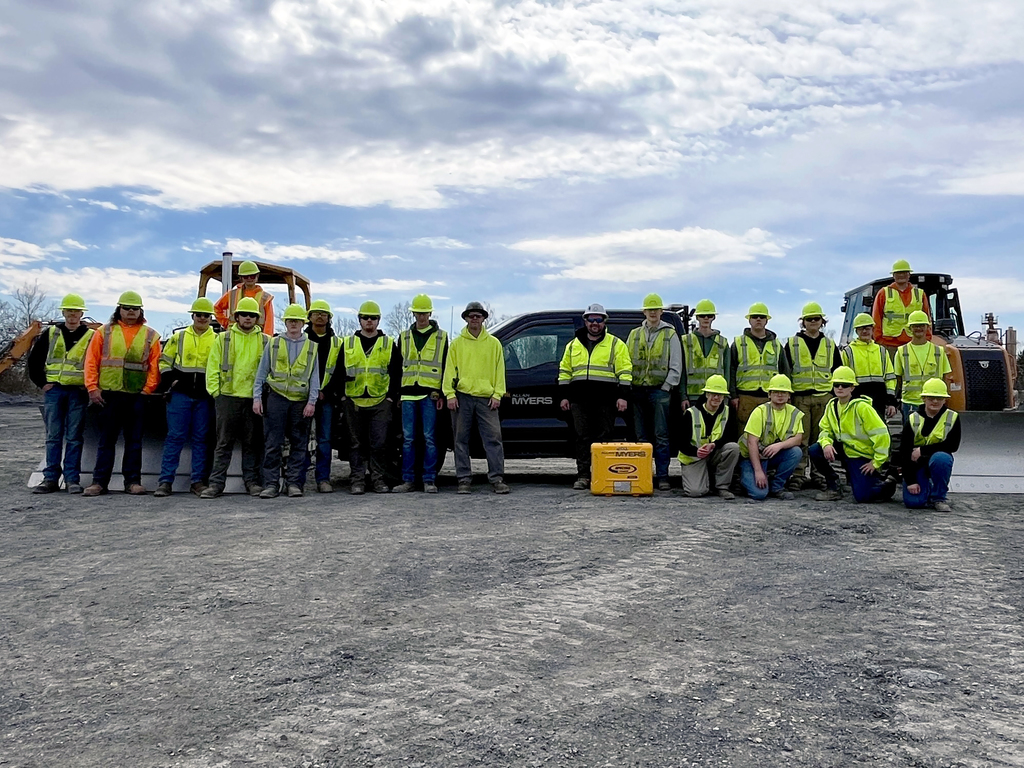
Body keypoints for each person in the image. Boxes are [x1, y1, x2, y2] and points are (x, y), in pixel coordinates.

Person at [82, 291, 161, 496]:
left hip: (137, 396)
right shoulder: (103, 332)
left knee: (134, 441)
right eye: (127, 308)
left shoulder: (150, 335)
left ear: (140, 311)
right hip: (109, 394)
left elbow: (155, 367)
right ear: (119, 309)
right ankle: (99, 482)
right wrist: (92, 387)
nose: (131, 312)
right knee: (106, 440)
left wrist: (147, 390)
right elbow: (92, 361)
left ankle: (133, 481)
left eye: (135, 309)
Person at [200, 296, 270, 498]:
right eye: (244, 315)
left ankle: (252, 483)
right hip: (228, 398)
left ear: (257, 318)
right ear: (237, 317)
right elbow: (212, 367)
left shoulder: (266, 341)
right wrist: (217, 393)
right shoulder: (223, 339)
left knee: (252, 444)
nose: (248, 318)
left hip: (253, 399)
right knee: (223, 443)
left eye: (252, 315)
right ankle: (215, 484)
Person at [559, 303, 632, 490]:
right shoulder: (572, 345)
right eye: (591, 319)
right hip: (579, 400)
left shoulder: (616, 344)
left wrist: (622, 396)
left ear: (604, 322)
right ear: (585, 321)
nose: (595, 323)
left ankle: (602, 475)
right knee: (582, 438)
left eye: (599, 319)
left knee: (604, 438)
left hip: (605, 401)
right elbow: (565, 372)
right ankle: (583, 476)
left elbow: (625, 372)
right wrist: (564, 396)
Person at [28, 293, 95, 494]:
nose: (72, 314)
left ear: (81, 313)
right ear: (63, 312)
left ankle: (72, 479)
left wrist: (88, 384)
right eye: (69, 310)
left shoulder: (91, 336)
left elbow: (96, 362)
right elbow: (35, 360)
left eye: (75, 311)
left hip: (77, 392)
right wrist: (42, 383)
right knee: (54, 436)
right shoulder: (51, 334)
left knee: (74, 437)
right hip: (54, 390)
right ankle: (50, 479)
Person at [443, 301, 510, 494]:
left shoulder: (493, 344)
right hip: (462, 397)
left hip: (487, 399)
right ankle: (463, 479)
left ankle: (497, 478)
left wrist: (498, 394)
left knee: (493, 439)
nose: (474, 319)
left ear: (483, 319)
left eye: (478, 316)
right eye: (471, 316)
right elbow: (449, 371)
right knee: (460, 440)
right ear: (465, 318)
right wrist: (449, 394)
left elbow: (500, 371)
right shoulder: (456, 344)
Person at [253, 303, 319, 498]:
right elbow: (262, 373)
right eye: (290, 321)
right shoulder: (273, 344)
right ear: (286, 323)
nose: (293, 324)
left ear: (302, 323)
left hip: (300, 402)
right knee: (273, 443)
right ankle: (271, 484)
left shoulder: (312, 347)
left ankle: (294, 484)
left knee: (300, 444)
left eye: (297, 321)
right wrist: (257, 398)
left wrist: (312, 402)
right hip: (276, 398)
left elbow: (314, 377)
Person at [153, 297, 217, 497]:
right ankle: (165, 481)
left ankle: (198, 481)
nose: (202, 318)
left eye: (206, 315)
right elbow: (164, 362)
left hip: (204, 396)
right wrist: (172, 381)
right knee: (175, 437)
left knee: (201, 439)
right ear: (193, 316)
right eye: (199, 314)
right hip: (180, 394)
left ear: (211, 318)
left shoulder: (218, 340)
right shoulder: (178, 338)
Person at [809, 366, 897, 503]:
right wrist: (826, 444)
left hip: (861, 455)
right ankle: (834, 486)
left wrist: (876, 462)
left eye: (844, 385)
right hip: (844, 450)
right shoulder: (831, 406)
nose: (839, 388)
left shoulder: (862, 407)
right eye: (836, 384)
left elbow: (882, 435)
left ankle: (887, 484)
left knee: (863, 496)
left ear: (852, 388)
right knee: (815, 449)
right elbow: (825, 429)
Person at [342, 300, 402, 495]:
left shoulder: (387, 344)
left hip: (380, 401)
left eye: (373, 318)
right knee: (356, 444)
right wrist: (342, 397)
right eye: (365, 318)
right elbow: (338, 372)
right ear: (359, 320)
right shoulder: (348, 343)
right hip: (354, 400)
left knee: (379, 444)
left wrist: (391, 398)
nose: (369, 321)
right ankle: (357, 480)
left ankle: (378, 480)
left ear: (378, 320)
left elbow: (396, 372)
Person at [393, 294, 448, 494]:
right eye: (418, 313)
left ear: (430, 313)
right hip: (407, 394)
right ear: (414, 313)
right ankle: (408, 480)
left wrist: (441, 393)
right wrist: (398, 394)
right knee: (408, 439)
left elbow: (445, 366)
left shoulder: (442, 337)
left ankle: (429, 479)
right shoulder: (404, 337)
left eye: (424, 313)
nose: (421, 316)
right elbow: (397, 367)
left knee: (430, 438)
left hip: (429, 395)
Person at [784, 301, 842, 490]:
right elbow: (785, 371)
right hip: (800, 398)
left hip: (824, 397)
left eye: (816, 319)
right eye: (809, 319)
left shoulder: (829, 344)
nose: (813, 322)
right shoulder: (792, 344)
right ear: (803, 322)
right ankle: (799, 475)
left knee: (821, 439)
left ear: (822, 322)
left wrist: (834, 396)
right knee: (801, 438)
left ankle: (819, 475)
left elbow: (838, 370)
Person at [626, 293, 681, 490]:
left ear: (661, 312)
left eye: (656, 310)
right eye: (650, 310)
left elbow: (676, 365)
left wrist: (666, 387)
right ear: (644, 312)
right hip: (638, 391)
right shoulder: (634, 335)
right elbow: (626, 362)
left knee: (661, 436)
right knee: (640, 437)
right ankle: (643, 475)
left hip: (660, 391)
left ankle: (663, 476)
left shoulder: (670, 334)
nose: (653, 313)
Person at [738, 374, 803, 501]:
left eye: (784, 392)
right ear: (769, 394)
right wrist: (758, 471)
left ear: (789, 395)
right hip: (751, 457)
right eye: (776, 392)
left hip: (771, 455)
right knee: (759, 494)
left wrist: (779, 445)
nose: (780, 395)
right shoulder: (760, 411)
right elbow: (752, 442)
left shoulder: (794, 412)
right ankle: (741, 476)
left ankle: (777, 486)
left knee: (796, 452)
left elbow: (798, 439)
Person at [300, 299, 343, 493]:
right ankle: (297, 479)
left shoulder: (336, 342)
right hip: (303, 396)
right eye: (316, 313)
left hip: (327, 398)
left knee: (324, 440)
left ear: (329, 318)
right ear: (309, 317)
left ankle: (323, 479)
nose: (319, 316)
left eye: (323, 314)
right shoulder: (300, 340)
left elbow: (339, 370)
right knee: (300, 439)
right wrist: (310, 392)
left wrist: (326, 392)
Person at [900, 378, 960, 512]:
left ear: (945, 400)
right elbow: (904, 451)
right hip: (916, 465)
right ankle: (926, 486)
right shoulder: (913, 418)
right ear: (924, 399)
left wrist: (922, 450)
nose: (935, 401)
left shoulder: (952, 417)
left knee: (942, 459)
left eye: (939, 398)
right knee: (914, 503)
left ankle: (938, 498)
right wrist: (911, 481)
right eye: (931, 398)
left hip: (935, 461)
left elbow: (952, 445)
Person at [677, 374, 739, 499]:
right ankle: (707, 480)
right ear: (706, 395)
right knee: (695, 492)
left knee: (734, 448)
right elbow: (680, 442)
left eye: (720, 395)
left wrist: (715, 445)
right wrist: (696, 451)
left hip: (714, 453)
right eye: (712, 394)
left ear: (724, 397)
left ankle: (722, 487)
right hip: (694, 457)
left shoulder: (728, 412)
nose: (716, 397)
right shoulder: (690, 413)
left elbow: (731, 436)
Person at [730, 302, 791, 429]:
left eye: (762, 317)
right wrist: (734, 396)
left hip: (769, 398)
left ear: (767, 320)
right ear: (749, 320)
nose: (758, 319)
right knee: (744, 434)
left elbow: (785, 372)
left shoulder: (776, 345)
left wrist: (787, 396)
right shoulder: (738, 343)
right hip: (745, 397)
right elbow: (731, 370)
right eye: (755, 316)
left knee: (769, 432)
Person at [894, 310, 953, 421]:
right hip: (909, 402)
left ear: (927, 327)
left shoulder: (939, 351)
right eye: (915, 326)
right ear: (910, 328)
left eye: (921, 325)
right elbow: (898, 379)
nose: (918, 329)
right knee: (911, 436)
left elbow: (946, 378)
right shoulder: (902, 352)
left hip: (934, 403)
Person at [841, 313, 897, 420]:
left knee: (879, 431)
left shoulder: (881, 351)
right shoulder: (848, 352)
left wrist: (891, 402)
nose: (865, 331)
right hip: (856, 398)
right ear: (856, 331)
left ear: (872, 329)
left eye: (867, 328)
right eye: (861, 328)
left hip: (879, 399)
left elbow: (890, 378)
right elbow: (844, 379)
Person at [871, 259, 931, 352]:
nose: (901, 275)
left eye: (904, 272)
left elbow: (927, 318)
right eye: (898, 273)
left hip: (914, 343)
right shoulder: (884, 293)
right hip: (889, 344)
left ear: (909, 275)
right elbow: (876, 318)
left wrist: (927, 338)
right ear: (893, 275)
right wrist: (879, 339)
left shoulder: (920, 294)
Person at [680, 298, 730, 410]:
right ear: (697, 317)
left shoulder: (722, 343)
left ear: (714, 317)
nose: (706, 318)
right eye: (703, 315)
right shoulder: (685, 341)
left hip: (716, 396)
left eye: (709, 315)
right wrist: (683, 396)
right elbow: (682, 371)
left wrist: (726, 397)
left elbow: (727, 372)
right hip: (692, 397)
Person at [213, 259, 274, 335]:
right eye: (246, 276)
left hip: (256, 336)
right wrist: (226, 323)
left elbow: (269, 323)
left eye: (252, 276)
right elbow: (216, 309)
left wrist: (267, 340)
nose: (249, 279)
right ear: (241, 278)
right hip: (234, 335)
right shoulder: (232, 294)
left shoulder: (265, 298)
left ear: (257, 276)